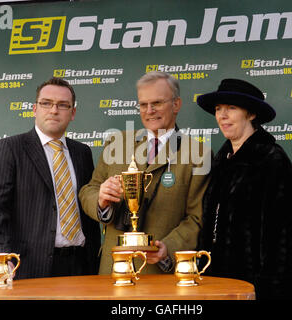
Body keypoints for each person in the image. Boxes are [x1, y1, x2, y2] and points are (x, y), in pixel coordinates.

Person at [79, 71, 210, 274]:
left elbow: (196, 218)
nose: (149, 111)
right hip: (114, 270)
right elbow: (89, 189)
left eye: (157, 103)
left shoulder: (199, 154)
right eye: (143, 104)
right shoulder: (116, 143)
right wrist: (101, 200)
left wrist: (168, 249)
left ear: (176, 104)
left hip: (160, 275)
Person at [0, 77, 100, 279]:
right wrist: (0, 257)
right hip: (28, 267)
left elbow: (88, 206)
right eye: (46, 103)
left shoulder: (82, 152)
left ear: (73, 113)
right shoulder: (10, 149)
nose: (54, 110)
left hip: (81, 265)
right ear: (35, 109)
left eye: (63, 105)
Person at [197, 78, 292, 300]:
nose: (222, 116)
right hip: (217, 284)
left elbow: (281, 238)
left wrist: (270, 290)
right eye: (218, 109)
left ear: (251, 114)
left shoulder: (271, 159)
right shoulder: (221, 160)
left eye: (231, 108)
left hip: (257, 289)